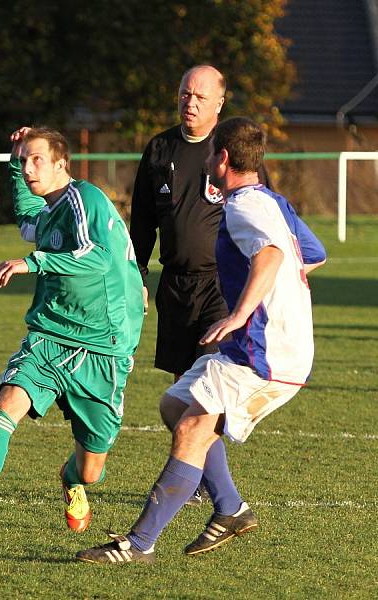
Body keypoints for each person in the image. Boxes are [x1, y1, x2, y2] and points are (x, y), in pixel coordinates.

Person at [75, 117, 326, 564]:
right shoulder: (272, 201)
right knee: (175, 406)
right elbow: (313, 254)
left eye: (211, 154)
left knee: (192, 429)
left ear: (223, 159)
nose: (206, 160)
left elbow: (269, 256)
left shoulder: (242, 207)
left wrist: (239, 314)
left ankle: (138, 545)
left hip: (266, 352)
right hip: (262, 344)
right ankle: (230, 509)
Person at [0, 126, 145, 542]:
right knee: (5, 406)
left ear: (62, 163)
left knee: (91, 469)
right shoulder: (48, 210)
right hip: (51, 334)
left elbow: (96, 256)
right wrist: (14, 161)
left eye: (37, 160)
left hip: (106, 344)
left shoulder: (86, 200)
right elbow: (29, 219)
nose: (29, 169)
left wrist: (33, 263)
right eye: (24, 161)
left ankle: (71, 479)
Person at [130, 65, 271, 381]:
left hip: (222, 284)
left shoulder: (235, 150)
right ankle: (205, 433)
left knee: (208, 378)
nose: (190, 103)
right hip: (176, 287)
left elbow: (267, 214)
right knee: (183, 388)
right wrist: (137, 276)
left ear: (219, 103)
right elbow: (141, 222)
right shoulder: (159, 149)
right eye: (185, 94)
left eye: (200, 97)